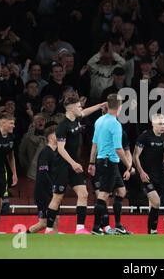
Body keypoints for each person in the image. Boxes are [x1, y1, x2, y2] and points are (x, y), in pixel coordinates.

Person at [44, 95, 107, 235]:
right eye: (79, 106)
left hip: (74, 165)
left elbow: (85, 112)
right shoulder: (62, 126)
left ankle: (79, 229)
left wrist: (99, 105)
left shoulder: (76, 119)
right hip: (62, 166)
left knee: (83, 194)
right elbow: (60, 149)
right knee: (57, 197)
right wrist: (73, 163)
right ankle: (49, 229)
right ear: (71, 109)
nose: (81, 109)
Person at [91, 94, 134, 235]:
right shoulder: (115, 124)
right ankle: (96, 228)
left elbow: (94, 144)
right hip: (109, 162)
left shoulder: (99, 120)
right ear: (119, 107)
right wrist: (129, 165)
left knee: (121, 191)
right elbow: (118, 148)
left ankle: (118, 226)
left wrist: (92, 162)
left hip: (103, 161)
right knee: (103, 195)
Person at [133, 114, 164, 234]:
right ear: (153, 124)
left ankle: (150, 231)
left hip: (160, 175)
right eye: (160, 124)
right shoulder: (144, 137)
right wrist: (141, 172)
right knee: (156, 202)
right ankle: (153, 230)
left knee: (154, 204)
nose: (163, 127)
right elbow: (135, 156)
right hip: (146, 175)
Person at [28, 123, 60, 233]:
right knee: (50, 220)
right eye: (58, 134)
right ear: (51, 136)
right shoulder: (45, 152)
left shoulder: (57, 152)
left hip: (51, 191)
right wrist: (52, 188)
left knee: (46, 222)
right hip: (43, 191)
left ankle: (23, 237)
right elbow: (43, 174)